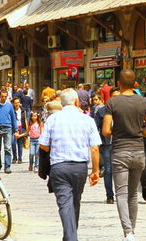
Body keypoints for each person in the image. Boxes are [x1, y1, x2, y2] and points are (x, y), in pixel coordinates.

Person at [39, 88, 101, 241]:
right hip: (80, 168)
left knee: (66, 205)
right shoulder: (87, 120)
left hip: (59, 167)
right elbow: (94, 148)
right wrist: (95, 171)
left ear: (62, 103)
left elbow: (44, 145)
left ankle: (71, 238)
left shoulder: (53, 119)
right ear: (77, 102)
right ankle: (70, 237)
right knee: (74, 203)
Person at [102, 70, 146, 241]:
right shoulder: (144, 102)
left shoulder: (112, 102)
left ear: (118, 83)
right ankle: (131, 230)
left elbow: (105, 130)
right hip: (139, 151)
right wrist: (138, 132)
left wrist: (118, 131)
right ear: (135, 84)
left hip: (120, 151)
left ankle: (127, 232)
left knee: (122, 194)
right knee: (133, 194)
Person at [92, 91, 116, 204]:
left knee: (121, 170)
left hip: (121, 143)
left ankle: (122, 194)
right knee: (108, 169)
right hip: (106, 144)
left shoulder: (124, 110)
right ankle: (109, 195)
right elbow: (96, 127)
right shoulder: (102, 111)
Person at [0, 90, 17, 174]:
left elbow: (13, 118)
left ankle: (7, 167)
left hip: (7, 128)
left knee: (8, 148)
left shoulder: (9, 106)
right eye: (2, 96)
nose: (4, 98)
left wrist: (15, 130)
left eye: (5, 96)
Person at [11, 97, 27, 165]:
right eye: (15, 103)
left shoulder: (23, 110)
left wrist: (26, 128)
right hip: (14, 128)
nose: (17, 104)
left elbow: (25, 118)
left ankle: (20, 158)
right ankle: (15, 157)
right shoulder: (11, 110)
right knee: (13, 143)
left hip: (21, 128)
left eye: (18, 102)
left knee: (20, 144)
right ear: (13, 103)